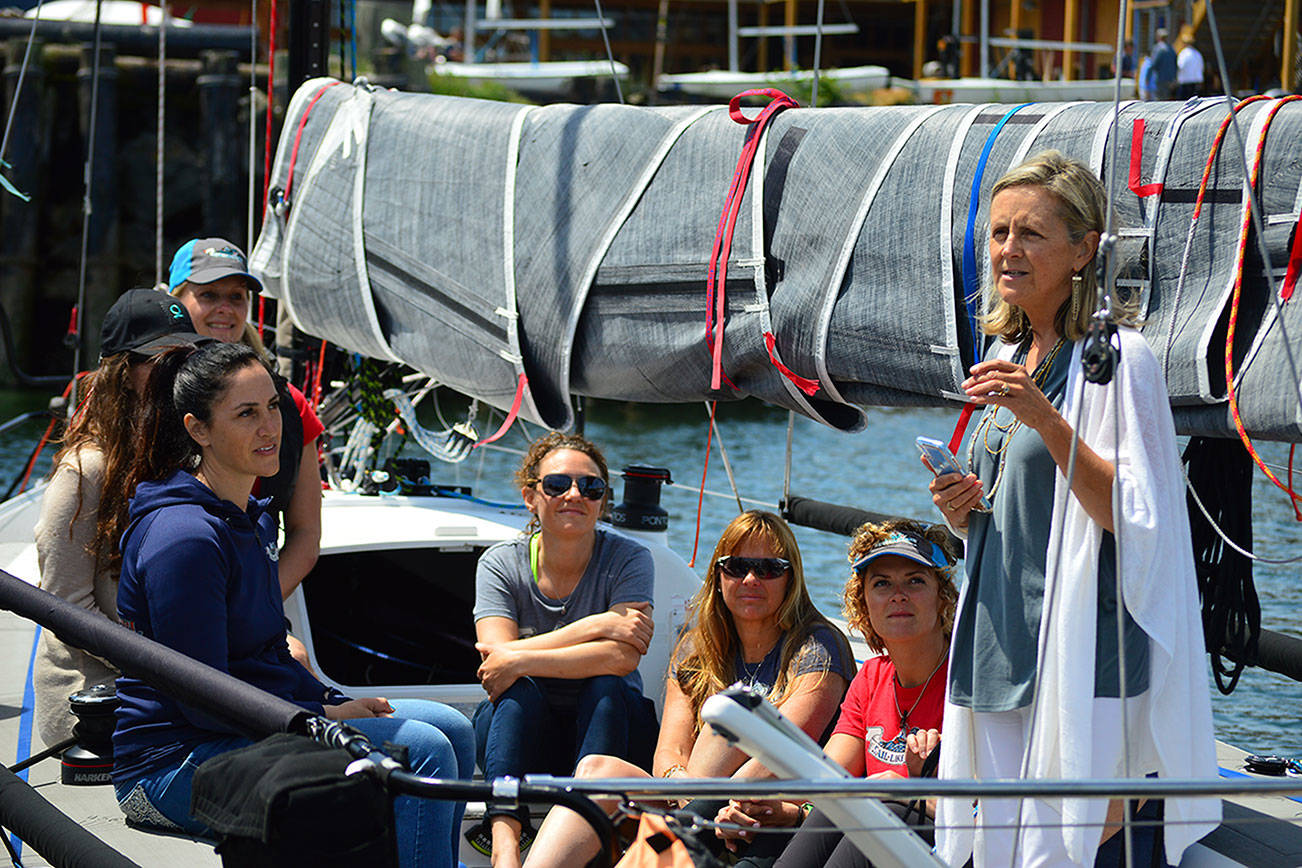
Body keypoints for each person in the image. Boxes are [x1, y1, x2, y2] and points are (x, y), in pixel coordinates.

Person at [927, 151, 1219, 866]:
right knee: (999, 846)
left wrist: (1047, 422)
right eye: (997, 233)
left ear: (1085, 248)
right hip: (999, 638)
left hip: (1082, 651)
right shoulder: (1010, 350)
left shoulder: (1119, 357)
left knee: (1066, 846)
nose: (1006, 250)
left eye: (1029, 233)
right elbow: (1021, 505)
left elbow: (1135, 515)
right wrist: (962, 507)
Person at [110, 341, 474, 868]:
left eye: (274, 407)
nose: (270, 427)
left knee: (454, 729)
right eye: (246, 413)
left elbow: (266, 657)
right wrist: (324, 716)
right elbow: (204, 701)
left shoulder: (250, 517)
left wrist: (326, 697)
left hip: (245, 729)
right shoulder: (185, 538)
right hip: (171, 764)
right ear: (197, 429)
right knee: (424, 748)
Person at [524, 510, 856, 868]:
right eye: (736, 566)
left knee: (729, 720)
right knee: (595, 770)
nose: (750, 579)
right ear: (717, 575)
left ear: (791, 580)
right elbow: (669, 751)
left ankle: (662, 845)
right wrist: (687, 791)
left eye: (769, 569)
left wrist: (709, 799)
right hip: (693, 798)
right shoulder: (696, 646)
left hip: (768, 807)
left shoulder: (818, 646)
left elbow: (782, 753)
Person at [472, 432, 659, 867]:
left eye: (591, 487)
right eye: (557, 484)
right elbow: (493, 662)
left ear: (602, 500)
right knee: (517, 696)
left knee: (607, 688)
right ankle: (504, 851)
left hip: (609, 735)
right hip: (522, 736)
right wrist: (596, 625)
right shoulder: (500, 563)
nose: (574, 495)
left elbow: (621, 658)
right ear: (530, 497)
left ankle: (587, 846)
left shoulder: (630, 559)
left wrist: (519, 656)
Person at [33, 289, 205, 747]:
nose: (178, 370)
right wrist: (165, 666)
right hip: (92, 713)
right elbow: (65, 605)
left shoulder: (185, 461)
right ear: (123, 373)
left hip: (167, 690)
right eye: (160, 358)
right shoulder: (84, 471)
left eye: (186, 355)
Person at [766, 520, 958, 868]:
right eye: (882, 583)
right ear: (864, 602)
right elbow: (826, 779)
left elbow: (987, 808)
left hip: (949, 841)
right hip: (879, 829)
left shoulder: (967, 682)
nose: (898, 594)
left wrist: (912, 786)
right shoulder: (871, 677)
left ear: (942, 597)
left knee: (883, 804)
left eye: (915, 581)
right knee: (843, 805)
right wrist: (772, 805)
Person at [168, 237, 322, 601]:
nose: (225, 308)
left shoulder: (290, 406)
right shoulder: (148, 399)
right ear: (177, 301)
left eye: (236, 297)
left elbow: (306, 534)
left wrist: (258, 607)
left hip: (255, 597)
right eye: (208, 295)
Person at [1150, 28, 1177, 99]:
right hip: (1169, 80)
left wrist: (1147, 77)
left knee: (1158, 100)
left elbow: (1153, 64)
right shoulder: (1171, 49)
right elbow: (1175, 64)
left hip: (1159, 79)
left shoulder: (1157, 48)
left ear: (1158, 37)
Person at [1177, 33, 1204, 99]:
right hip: (1196, 80)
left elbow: (1181, 66)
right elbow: (1201, 67)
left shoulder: (1183, 53)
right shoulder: (1197, 54)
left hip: (1185, 81)